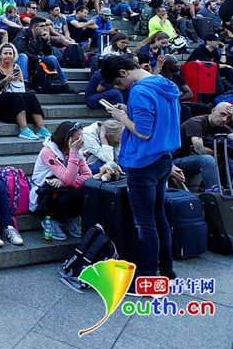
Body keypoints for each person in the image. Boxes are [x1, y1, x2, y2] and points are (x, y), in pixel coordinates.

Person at [99, 55, 179, 278]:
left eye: (118, 82)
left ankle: (148, 275)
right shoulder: (165, 84)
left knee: (145, 224)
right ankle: (167, 269)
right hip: (164, 158)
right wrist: (128, 110)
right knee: (159, 217)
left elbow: (143, 132)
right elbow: (158, 116)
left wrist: (121, 117)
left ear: (124, 72)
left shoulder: (140, 91)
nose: (120, 87)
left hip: (143, 162)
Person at [29, 121, 93, 241]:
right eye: (77, 139)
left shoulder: (77, 152)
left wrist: (63, 182)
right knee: (72, 192)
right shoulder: (48, 152)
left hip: (62, 187)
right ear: (67, 139)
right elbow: (69, 178)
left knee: (85, 189)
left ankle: (69, 218)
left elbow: (87, 175)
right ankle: (51, 219)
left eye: (82, 138)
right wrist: (73, 153)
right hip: (44, 192)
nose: (81, 142)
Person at [0, 43, 49, 140]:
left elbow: (21, 84)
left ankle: (41, 128)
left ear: (14, 55)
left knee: (31, 96)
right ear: (0, 55)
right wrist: (6, 80)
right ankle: (24, 129)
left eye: (10, 53)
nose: (8, 56)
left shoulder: (16, 67)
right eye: (5, 53)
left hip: (13, 92)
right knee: (16, 97)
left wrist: (16, 81)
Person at [176, 102, 233, 191]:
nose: (224, 119)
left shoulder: (221, 126)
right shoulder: (196, 123)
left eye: (229, 117)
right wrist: (220, 151)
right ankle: (215, 191)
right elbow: (200, 150)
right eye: (222, 114)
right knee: (207, 159)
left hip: (192, 160)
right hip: (176, 161)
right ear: (213, 110)